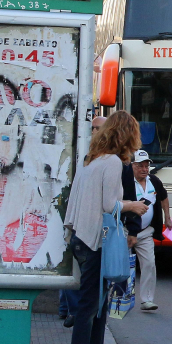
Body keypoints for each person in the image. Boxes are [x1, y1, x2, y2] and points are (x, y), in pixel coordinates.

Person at [62, 111, 148, 344]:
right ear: (127, 135)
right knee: (92, 304)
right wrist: (133, 205)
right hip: (95, 239)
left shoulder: (91, 161)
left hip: (80, 237)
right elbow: (109, 204)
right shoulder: (111, 162)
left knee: (98, 303)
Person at [61, 114, 107, 326]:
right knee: (81, 285)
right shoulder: (86, 158)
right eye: (93, 129)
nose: (95, 133)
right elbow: (111, 203)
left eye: (99, 129)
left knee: (91, 293)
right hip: (83, 233)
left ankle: (78, 320)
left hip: (95, 235)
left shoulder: (108, 161)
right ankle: (74, 314)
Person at [123, 149, 171, 311]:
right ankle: (119, 298)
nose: (144, 169)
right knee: (122, 266)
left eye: (146, 166)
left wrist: (168, 218)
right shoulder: (125, 181)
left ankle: (147, 300)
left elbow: (164, 197)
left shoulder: (154, 181)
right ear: (132, 166)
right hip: (125, 231)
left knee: (149, 263)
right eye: (140, 166)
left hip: (146, 231)